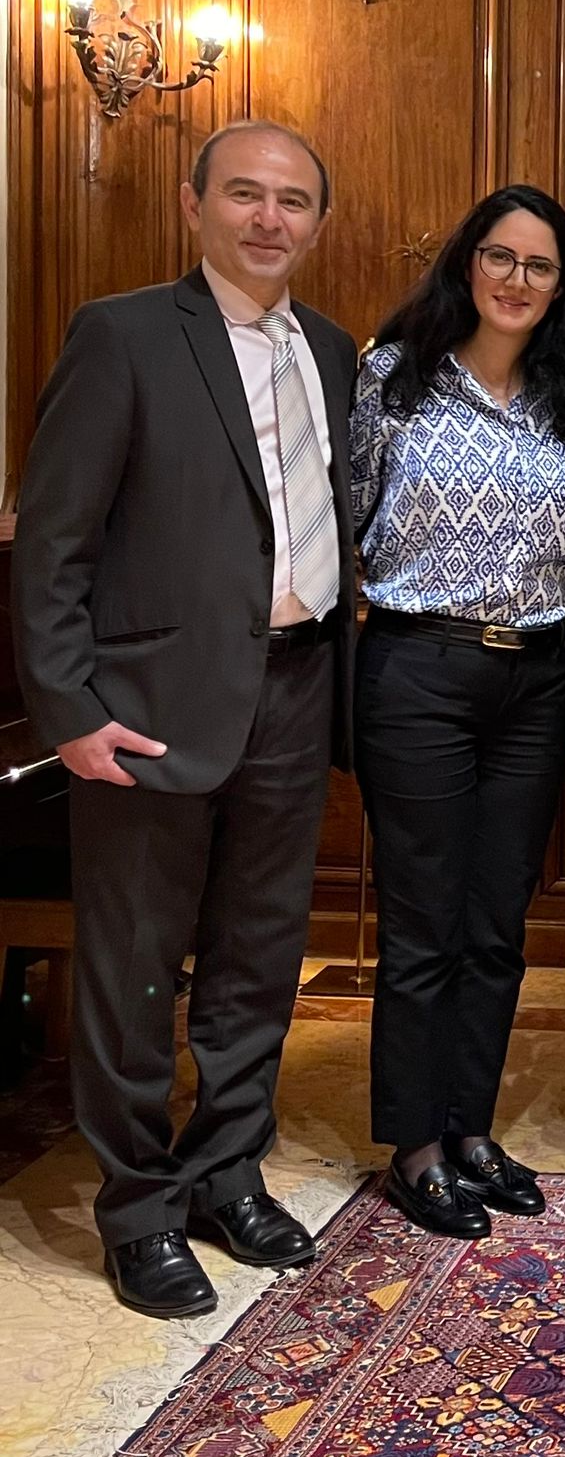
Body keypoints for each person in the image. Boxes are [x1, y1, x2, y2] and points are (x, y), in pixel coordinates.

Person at [11, 121, 356, 1317]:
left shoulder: (330, 347)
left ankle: (225, 1172)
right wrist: (69, 711)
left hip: (299, 686)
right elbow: (51, 541)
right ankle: (139, 1207)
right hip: (148, 711)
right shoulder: (123, 335)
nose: (270, 218)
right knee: (132, 967)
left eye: (294, 200)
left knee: (261, 961)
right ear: (191, 202)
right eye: (246, 195)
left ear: (319, 220)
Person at [352, 186, 565, 1238]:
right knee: (424, 921)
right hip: (420, 667)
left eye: (539, 265)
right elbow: (344, 515)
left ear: (563, 285)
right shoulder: (391, 380)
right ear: (467, 263)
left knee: (499, 922)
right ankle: (413, 1145)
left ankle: (469, 1127)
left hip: (538, 676)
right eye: (499, 257)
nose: (516, 279)